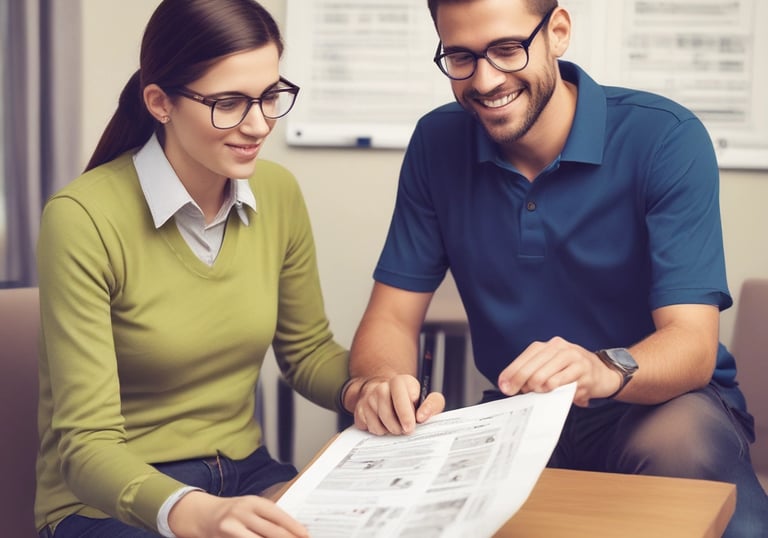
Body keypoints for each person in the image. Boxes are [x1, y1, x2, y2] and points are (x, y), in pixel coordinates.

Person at [341, 1, 768, 536]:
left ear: (558, 32)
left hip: (660, 403)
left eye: (507, 49)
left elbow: (692, 344)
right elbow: (390, 319)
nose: (485, 81)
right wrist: (383, 383)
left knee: (685, 452)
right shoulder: (436, 142)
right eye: (461, 57)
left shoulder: (665, 136)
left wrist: (601, 368)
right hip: (525, 413)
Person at [34, 1, 349, 536]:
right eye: (229, 103)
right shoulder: (81, 218)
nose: (259, 125)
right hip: (111, 501)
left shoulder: (278, 193)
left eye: (270, 96)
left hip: (245, 473)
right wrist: (196, 512)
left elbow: (308, 352)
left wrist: (370, 385)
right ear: (160, 102)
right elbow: (87, 447)